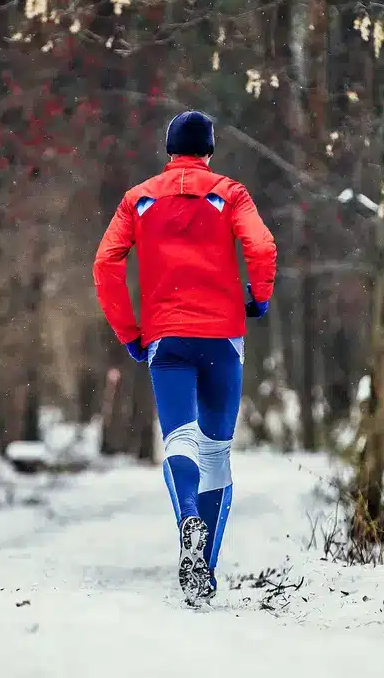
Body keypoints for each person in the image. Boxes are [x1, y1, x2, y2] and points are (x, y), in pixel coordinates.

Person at [92, 110, 277, 606]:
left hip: (166, 337)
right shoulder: (231, 192)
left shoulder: (138, 198)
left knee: (178, 437)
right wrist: (258, 298)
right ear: (209, 150)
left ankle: (187, 518)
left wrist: (130, 331)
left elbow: (105, 263)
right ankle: (204, 570)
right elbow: (261, 244)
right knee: (216, 451)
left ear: (169, 150)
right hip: (222, 336)